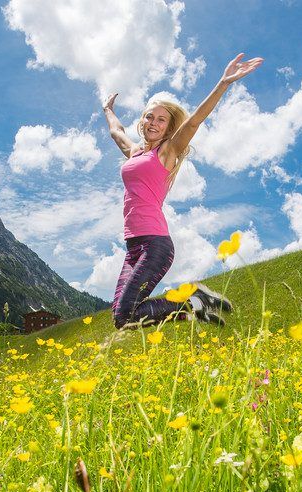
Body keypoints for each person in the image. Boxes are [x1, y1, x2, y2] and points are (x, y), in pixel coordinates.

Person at [102, 53, 263, 329]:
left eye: (161, 120)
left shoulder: (167, 152)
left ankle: (193, 298)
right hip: (133, 247)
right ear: (142, 121)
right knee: (121, 318)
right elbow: (117, 132)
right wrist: (107, 109)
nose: (153, 123)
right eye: (149, 117)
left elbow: (194, 121)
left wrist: (224, 83)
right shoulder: (134, 153)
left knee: (127, 314)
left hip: (155, 244)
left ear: (169, 126)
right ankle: (192, 310)